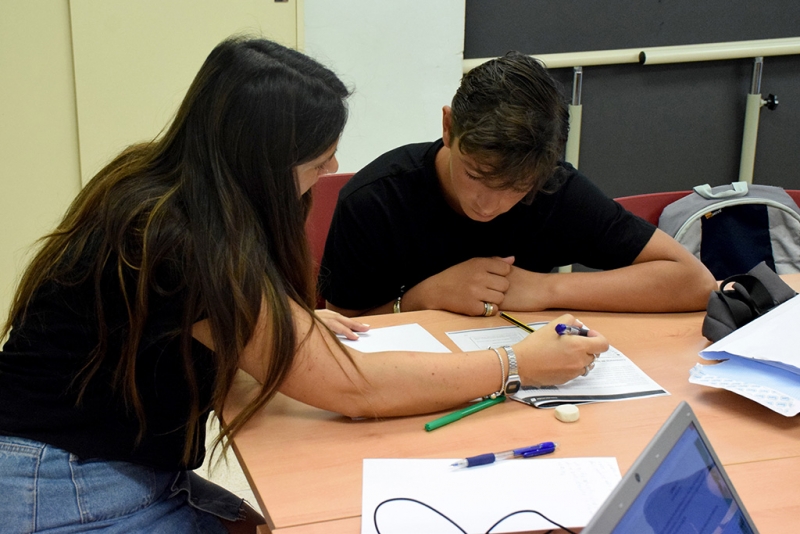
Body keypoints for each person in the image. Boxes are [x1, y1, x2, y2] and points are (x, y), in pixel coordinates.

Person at [0, 37, 608, 533]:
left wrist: (287, 321)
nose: (334, 170)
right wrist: (517, 363)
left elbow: (204, 323)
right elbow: (355, 388)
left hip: (91, 459)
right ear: (262, 159)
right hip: (62, 481)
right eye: (319, 159)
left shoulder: (163, 186)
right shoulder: (180, 240)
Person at [319, 52, 718, 318]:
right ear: (448, 128)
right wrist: (419, 301)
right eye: (475, 175)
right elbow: (337, 329)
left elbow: (694, 281)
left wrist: (545, 289)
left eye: (516, 188)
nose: (489, 206)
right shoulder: (376, 200)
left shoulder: (553, 187)